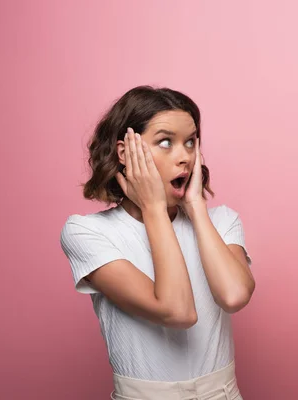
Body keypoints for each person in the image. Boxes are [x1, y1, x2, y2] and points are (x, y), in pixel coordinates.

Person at [60, 86, 254, 400]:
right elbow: (178, 312)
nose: (185, 157)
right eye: (165, 142)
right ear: (125, 153)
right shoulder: (88, 233)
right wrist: (153, 209)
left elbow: (233, 296)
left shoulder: (221, 221)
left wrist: (195, 207)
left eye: (190, 142)